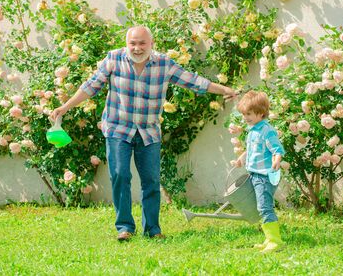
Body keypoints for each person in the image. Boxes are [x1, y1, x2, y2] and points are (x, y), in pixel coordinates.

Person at [50, 26, 237, 241]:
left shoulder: (164, 64)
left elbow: (194, 81)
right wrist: (65, 107)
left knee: (150, 179)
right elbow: (90, 86)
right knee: (120, 175)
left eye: (142, 43)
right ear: (127, 43)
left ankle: (153, 229)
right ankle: (125, 227)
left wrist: (224, 89)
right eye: (133, 43)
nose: (137, 48)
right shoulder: (114, 59)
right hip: (117, 128)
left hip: (148, 131)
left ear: (151, 44)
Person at [232, 90, 285, 253]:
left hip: (265, 176)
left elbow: (277, 148)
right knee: (261, 206)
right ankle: (269, 239)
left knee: (265, 207)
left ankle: (276, 241)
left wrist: (277, 159)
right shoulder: (253, 130)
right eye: (244, 114)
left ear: (261, 113)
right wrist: (241, 159)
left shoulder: (266, 130)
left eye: (249, 114)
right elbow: (251, 149)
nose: (245, 117)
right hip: (254, 174)